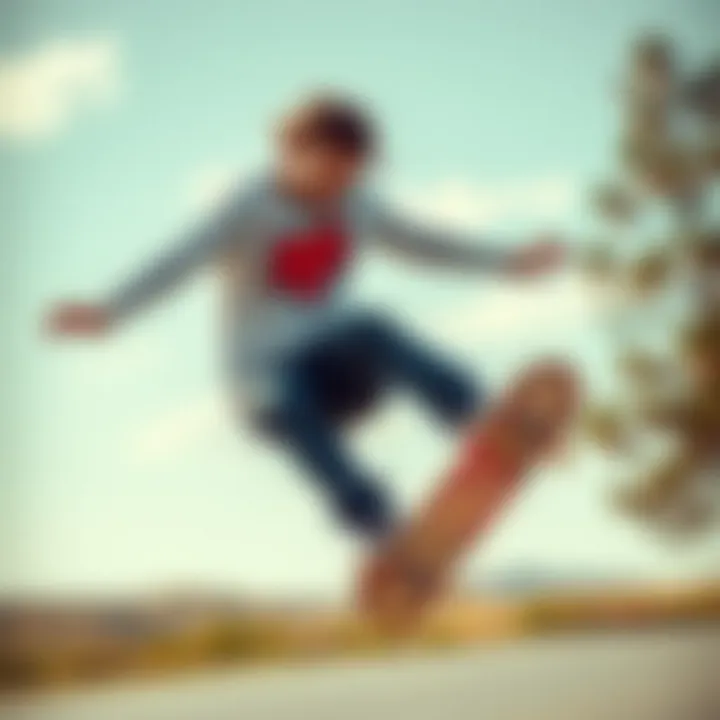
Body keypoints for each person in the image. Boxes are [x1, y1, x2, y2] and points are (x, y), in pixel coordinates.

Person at [46, 94, 564, 542]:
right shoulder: (249, 206)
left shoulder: (357, 203)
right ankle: (375, 521)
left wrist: (507, 261)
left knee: (373, 327)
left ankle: (481, 422)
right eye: (328, 172)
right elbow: (178, 260)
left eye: (350, 175)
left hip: (337, 377)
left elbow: (424, 243)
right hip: (266, 393)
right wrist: (110, 311)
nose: (336, 189)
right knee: (284, 390)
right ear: (290, 154)